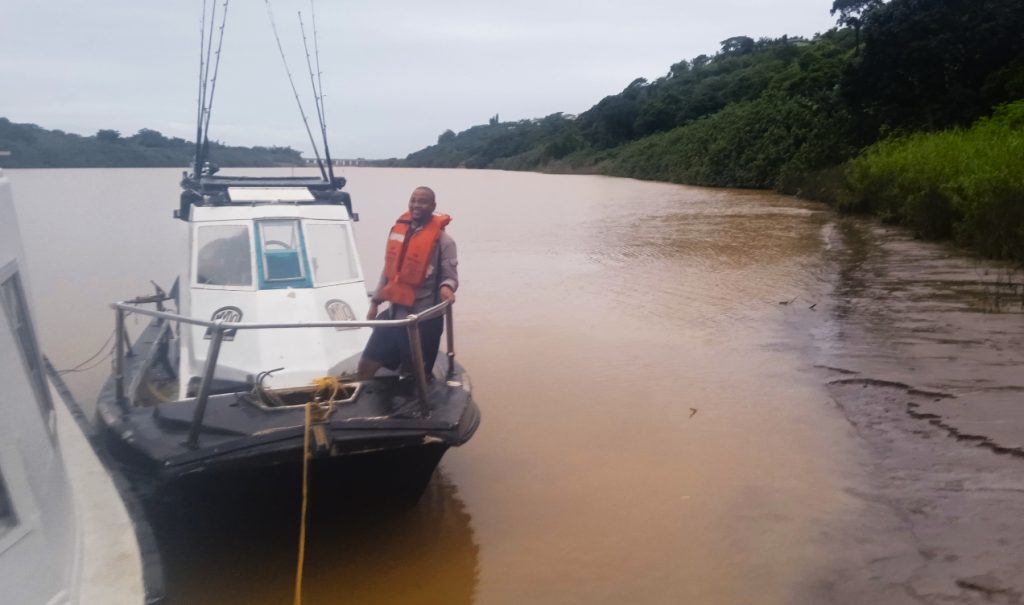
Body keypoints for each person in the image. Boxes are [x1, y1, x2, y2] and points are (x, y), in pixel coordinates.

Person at [358, 186, 457, 380]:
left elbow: (450, 277)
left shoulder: (446, 242)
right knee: (366, 365)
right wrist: (375, 303)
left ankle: (421, 405)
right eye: (413, 200)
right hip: (395, 314)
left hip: (425, 320)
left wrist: (447, 288)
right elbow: (388, 271)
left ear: (432, 206)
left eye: (422, 201)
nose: (416, 205)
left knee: (417, 376)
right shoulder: (398, 232)